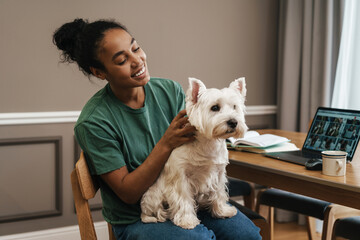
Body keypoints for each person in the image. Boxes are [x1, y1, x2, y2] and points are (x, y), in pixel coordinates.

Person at [53, 18, 261, 240]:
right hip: (135, 217)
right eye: (122, 60)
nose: (137, 61)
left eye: (136, 48)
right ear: (99, 72)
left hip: (191, 198)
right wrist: (166, 143)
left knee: (246, 235)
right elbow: (129, 194)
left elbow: (199, 135)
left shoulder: (168, 90)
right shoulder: (94, 122)